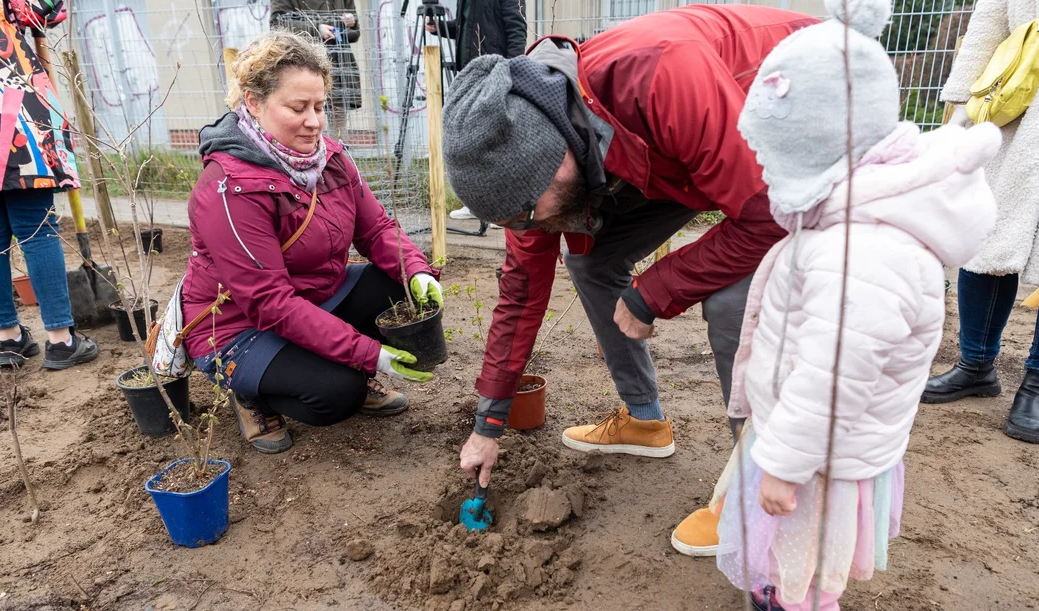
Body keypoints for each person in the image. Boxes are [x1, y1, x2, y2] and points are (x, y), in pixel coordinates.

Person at [701, 0, 1001, 611]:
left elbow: (833, 375)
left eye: (776, 158)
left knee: (802, 552)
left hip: (822, 452)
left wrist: (786, 462)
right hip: (823, 441)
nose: (767, 174)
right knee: (806, 557)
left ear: (820, 152)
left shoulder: (861, 251)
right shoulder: (861, 217)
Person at [441, 5, 816, 487]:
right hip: (693, 156)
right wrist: (488, 424)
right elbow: (519, 296)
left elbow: (768, 216)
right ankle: (644, 419)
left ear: (553, 159)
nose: (527, 229)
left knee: (733, 304)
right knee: (590, 258)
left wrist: (654, 292)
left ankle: (761, 490)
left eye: (526, 217)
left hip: (807, 107)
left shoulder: (660, 75)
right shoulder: (530, 173)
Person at [182, 31, 442, 453]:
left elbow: (375, 230)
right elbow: (271, 303)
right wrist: (368, 354)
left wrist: (416, 269)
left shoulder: (330, 158)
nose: (315, 121)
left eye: (320, 106)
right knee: (338, 393)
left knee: (401, 293)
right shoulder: (229, 189)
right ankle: (250, 395)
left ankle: (333, 364)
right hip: (238, 326)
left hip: (315, 296)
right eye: (298, 108)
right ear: (253, 102)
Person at [922, 0, 1039, 444]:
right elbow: (986, 24)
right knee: (985, 239)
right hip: (1016, 111)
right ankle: (975, 365)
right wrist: (963, 107)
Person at [0, 0, 98, 371]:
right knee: (37, 231)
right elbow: (45, 9)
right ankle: (61, 340)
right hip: (10, 109)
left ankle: (6, 338)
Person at [425, 0, 527, 222]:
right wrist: (441, 28)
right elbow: (466, 27)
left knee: (499, 140)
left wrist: (511, 71)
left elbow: (516, 28)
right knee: (473, 139)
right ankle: (476, 204)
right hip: (470, 72)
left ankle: (508, 211)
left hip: (495, 71)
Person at [271, 0, 363, 140]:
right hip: (302, 64)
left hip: (338, 66)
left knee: (338, 131)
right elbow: (277, 23)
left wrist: (351, 22)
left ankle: (334, 158)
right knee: (306, 118)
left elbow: (355, 33)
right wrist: (316, 29)